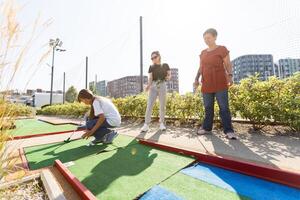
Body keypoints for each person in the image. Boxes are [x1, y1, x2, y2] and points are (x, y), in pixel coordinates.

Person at [194, 28, 237, 139]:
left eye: (208, 38)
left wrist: (230, 76)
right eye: (205, 39)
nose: (206, 40)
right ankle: (207, 128)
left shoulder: (222, 49)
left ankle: (228, 130)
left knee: (224, 107)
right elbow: (200, 67)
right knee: (208, 107)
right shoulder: (203, 53)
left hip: (220, 82)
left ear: (215, 37)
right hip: (206, 84)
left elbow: (227, 64)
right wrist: (196, 79)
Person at [141, 51, 171, 132]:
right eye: (152, 58)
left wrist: (168, 77)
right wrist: (148, 86)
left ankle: (161, 123)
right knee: (149, 105)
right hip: (153, 86)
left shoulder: (165, 65)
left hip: (162, 84)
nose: (153, 59)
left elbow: (169, 75)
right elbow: (150, 78)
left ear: (159, 56)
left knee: (162, 105)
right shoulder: (151, 67)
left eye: (154, 57)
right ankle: (146, 125)